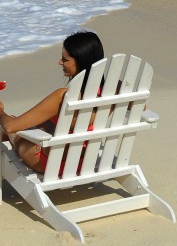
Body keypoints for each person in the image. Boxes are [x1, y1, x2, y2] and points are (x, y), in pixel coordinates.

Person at [0, 31, 104, 173]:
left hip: (53, 165)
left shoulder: (62, 97)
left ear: (81, 61)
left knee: (7, 127)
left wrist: (0, 111)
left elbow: (10, 127)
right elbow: (143, 106)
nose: (60, 62)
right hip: (88, 159)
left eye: (65, 59)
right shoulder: (111, 89)